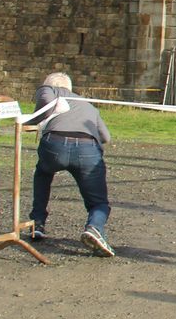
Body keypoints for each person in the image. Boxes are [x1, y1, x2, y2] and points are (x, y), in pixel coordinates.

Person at [28, 71, 115, 256]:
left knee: (43, 174)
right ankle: (94, 227)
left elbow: (44, 100)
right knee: (99, 202)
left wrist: (31, 121)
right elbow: (106, 137)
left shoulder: (49, 91)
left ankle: (37, 222)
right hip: (88, 149)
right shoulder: (88, 106)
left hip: (54, 146)